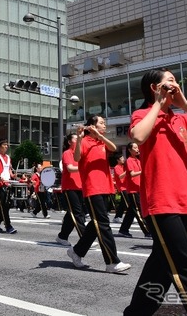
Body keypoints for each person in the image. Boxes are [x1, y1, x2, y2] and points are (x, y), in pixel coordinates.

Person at [124, 68, 187, 316]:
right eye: (169, 82)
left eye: (175, 81)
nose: (174, 84)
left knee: (161, 264)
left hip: (185, 200)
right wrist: (158, 104)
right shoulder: (142, 113)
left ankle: (136, 313)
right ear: (154, 88)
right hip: (161, 202)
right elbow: (138, 136)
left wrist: (185, 103)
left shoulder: (181, 119)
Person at [67, 116, 130, 274]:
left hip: (105, 187)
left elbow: (114, 147)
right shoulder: (84, 141)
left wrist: (100, 135)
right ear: (92, 125)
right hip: (92, 188)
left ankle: (76, 251)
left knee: (95, 225)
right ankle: (111, 262)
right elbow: (76, 158)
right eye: (101, 123)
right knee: (103, 224)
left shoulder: (101, 142)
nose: (104, 125)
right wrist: (80, 138)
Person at [56, 133, 86, 247]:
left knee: (72, 214)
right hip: (70, 187)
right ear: (69, 142)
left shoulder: (80, 154)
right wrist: (83, 167)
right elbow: (70, 168)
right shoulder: (67, 153)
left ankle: (62, 236)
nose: (79, 140)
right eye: (76, 138)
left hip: (80, 187)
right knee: (78, 213)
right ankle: (85, 238)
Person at [117, 143, 150, 238]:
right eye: (135, 148)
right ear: (130, 150)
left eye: (137, 147)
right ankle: (147, 231)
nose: (137, 149)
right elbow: (132, 174)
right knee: (138, 210)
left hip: (139, 188)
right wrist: (143, 171)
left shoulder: (138, 160)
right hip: (133, 190)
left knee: (131, 212)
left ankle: (123, 230)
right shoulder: (129, 160)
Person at [112, 154, 127, 223]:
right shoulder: (116, 167)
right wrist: (127, 171)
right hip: (122, 187)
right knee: (127, 202)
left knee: (123, 203)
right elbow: (120, 176)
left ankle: (117, 217)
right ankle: (118, 217)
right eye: (121, 158)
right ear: (118, 160)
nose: (123, 159)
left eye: (123, 158)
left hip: (127, 187)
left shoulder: (124, 167)